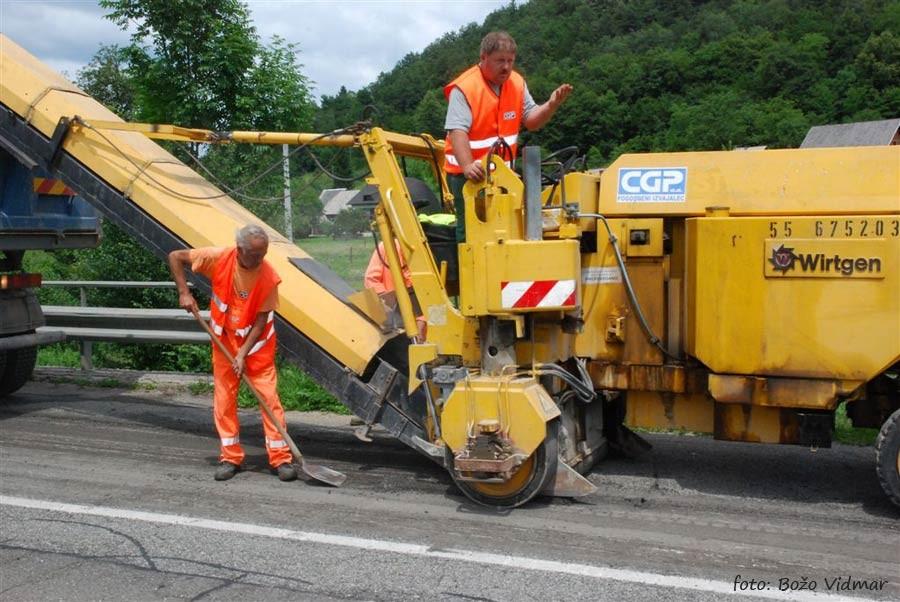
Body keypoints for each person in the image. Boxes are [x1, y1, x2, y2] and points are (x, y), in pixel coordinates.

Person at [168, 224, 297, 482]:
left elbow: (261, 321)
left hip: (257, 347)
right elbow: (175, 256)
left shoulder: (269, 277)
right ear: (240, 250)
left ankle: (281, 458)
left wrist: (242, 354)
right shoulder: (220, 258)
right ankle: (230, 457)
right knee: (224, 401)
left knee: (269, 400)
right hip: (224, 343)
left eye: (264, 254)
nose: (261, 259)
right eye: (256, 255)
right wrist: (184, 292)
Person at [443, 30, 573, 242]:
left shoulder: (517, 83)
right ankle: (469, 274)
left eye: (510, 61)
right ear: (483, 57)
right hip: (468, 176)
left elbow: (531, 120)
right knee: (471, 232)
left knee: (504, 231)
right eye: (500, 61)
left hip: (502, 175)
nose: (506, 67)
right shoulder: (465, 88)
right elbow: (457, 131)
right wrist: (467, 166)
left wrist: (551, 105)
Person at [363, 239, 426, 342]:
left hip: (420, 323)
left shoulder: (424, 252)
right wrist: (388, 304)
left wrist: (422, 319)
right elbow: (371, 280)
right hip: (394, 324)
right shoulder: (387, 247)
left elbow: (428, 293)